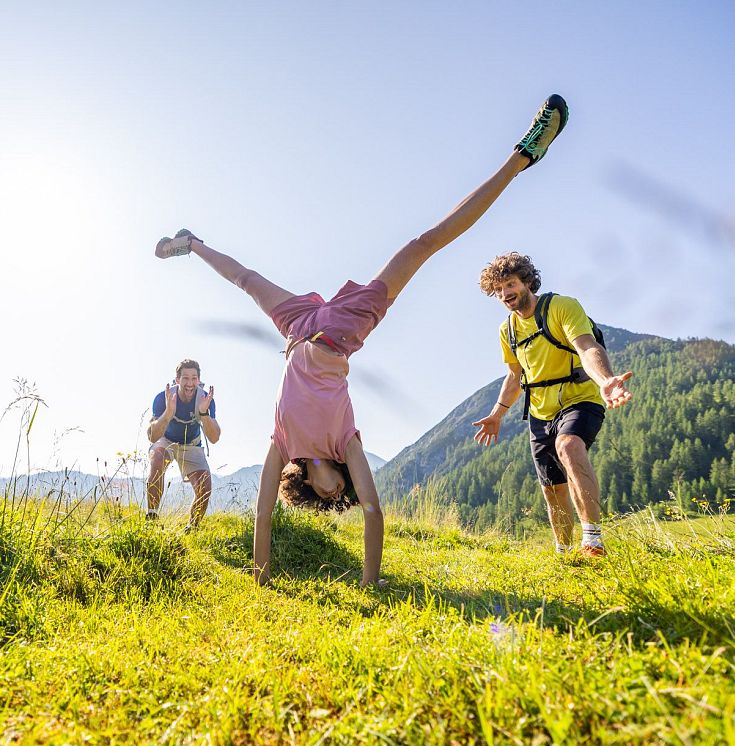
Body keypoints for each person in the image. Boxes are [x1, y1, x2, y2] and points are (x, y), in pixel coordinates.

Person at [154, 94, 569, 586]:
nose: (334, 496)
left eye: (325, 498)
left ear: (307, 485)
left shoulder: (282, 446)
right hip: (343, 330)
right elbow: (372, 513)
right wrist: (371, 583)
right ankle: (523, 156)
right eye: (339, 496)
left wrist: (261, 582)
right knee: (423, 244)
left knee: (246, 279)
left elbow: (262, 517)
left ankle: (192, 242)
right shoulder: (346, 443)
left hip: (298, 327)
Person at [473, 254, 632, 557]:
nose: (506, 293)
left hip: (580, 397)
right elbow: (514, 374)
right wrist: (497, 414)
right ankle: (564, 551)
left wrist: (606, 380)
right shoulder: (506, 331)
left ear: (527, 281)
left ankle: (593, 541)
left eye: (510, 284)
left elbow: (587, 347)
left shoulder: (562, 307)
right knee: (552, 487)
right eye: (499, 290)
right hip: (539, 413)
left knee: (569, 445)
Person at [146, 359, 221, 530]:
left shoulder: (205, 399)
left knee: (205, 487)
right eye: (185, 378)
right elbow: (152, 436)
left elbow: (215, 437)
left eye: (194, 378)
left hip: (192, 444)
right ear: (177, 380)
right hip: (167, 440)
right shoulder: (162, 397)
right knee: (157, 457)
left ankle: (191, 529)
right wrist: (168, 413)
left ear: (199, 380)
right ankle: (151, 518)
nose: (190, 383)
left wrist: (203, 413)